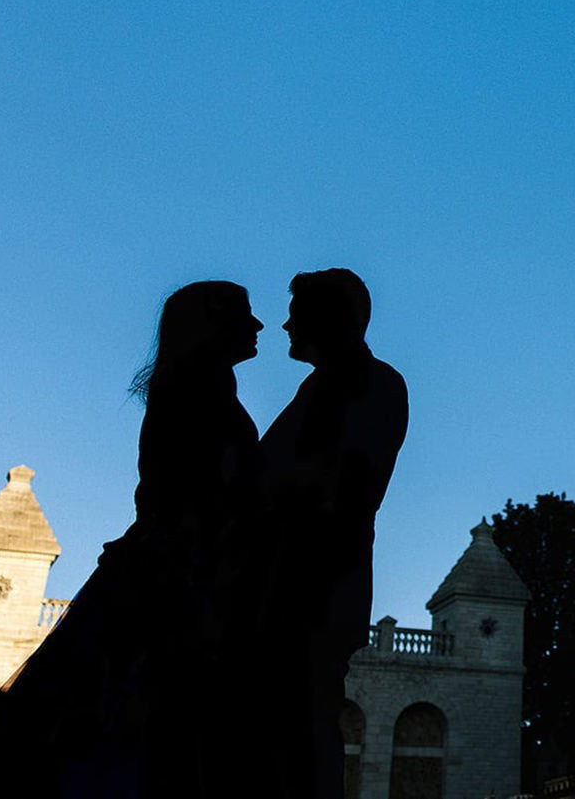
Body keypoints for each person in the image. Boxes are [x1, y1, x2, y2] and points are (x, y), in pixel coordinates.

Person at [0, 281, 264, 799]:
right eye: (245, 314)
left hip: (162, 567)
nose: (258, 325)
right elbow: (202, 494)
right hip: (178, 575)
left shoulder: (195, 384)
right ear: (214, 324)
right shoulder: (202, 387)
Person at [251, 268, 408, 799]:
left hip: (308, 586)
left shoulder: (370, 384)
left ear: (331, 318)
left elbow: (334, 490)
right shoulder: (326, 386)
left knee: (301, 731)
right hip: (299, 584)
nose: (286, 323)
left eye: (298, 312)